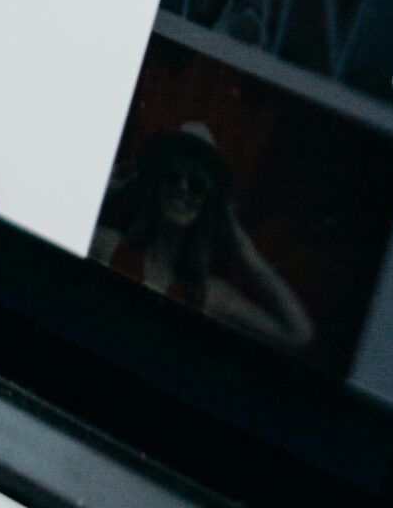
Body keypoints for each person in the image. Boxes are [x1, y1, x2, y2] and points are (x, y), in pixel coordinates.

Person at [93, 123, 313, 352]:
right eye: (173, 175)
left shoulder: (209, 295)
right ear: (157, 185)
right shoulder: (108, 245)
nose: (183, 188)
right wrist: (103, 188)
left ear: (207, 202)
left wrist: (246, 249)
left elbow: (298, 334)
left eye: (197, 182)